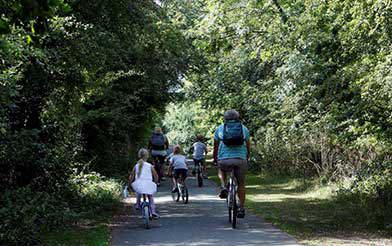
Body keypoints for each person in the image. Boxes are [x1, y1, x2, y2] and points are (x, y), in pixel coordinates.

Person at [213, 109, 250, 218]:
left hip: (224, 159)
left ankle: (223, 186)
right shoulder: (243, 129)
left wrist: (215, 158)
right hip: (240, 159)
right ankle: (242, 208)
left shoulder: (220, 129)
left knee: (221, 168)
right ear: (237, 117)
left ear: (225, 118)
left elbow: (215, 146)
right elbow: (248, 145)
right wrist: (247, 156)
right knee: (241, 183)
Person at [129, 148, 160, 218]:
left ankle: (137, 204)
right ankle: (153, 211)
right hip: (148, 184)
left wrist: (129, 184)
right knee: (150, 197)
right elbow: (156, 175)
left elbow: (131, 176)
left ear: (139, 156)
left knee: (139, 191)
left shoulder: (136, 166)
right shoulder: (150, 165)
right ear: (147, 156)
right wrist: (155, 182)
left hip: (138, 184)